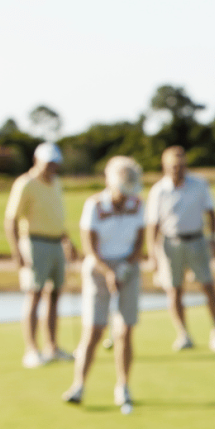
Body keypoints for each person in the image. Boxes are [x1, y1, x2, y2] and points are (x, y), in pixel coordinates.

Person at [62, 156, 147, 406]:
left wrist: (125, 267)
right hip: (98, 269)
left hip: (128, 268)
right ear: (111, 183)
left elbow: (140, 241)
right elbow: (90, 247)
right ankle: (78, 385)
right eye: (122, 189)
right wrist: (108, 272)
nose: (125, 195)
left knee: (124, 330)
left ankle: (123, 386)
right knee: (95, 330)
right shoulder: (95, 205)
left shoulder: (137, 204)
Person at [146, 146, 215, 352]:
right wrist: (152, 254)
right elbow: (153, 225)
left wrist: (214, 238)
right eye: (174, 166)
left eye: (182, 166)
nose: (178, 170)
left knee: (208, 286)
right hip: (170, 243)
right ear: (165, 167)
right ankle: (183, 334)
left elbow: (211, 213)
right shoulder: (158, 190)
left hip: (197, 240)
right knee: (174, 290)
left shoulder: (199, 184)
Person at [4, 142, 78, 368]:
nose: (52, 168)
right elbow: (11, 220)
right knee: (34, 295)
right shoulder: (26, 183)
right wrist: (17, 251)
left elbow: (55, 216)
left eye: (55, 164)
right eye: (49, 164)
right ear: (37, 162)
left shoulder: (56, 183)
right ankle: (31, 350)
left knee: (54, 295)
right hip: (34, 243)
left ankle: (52, 347)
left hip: (56, 243)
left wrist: (68, 240)